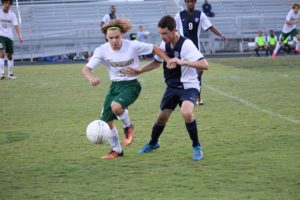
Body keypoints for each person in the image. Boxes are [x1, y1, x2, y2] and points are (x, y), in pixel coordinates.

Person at [82, 18, 171, 160]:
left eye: (117, 37)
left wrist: (167, 60)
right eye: (111, 38)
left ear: (121, 35)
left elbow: (155, 48)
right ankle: (117, 150)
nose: (114, 40)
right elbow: (86, 69)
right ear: (106, 37)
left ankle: (128, 126)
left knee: (116, 107)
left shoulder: (132, 45)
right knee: (107, 122)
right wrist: (91, 78)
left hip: (131, 85)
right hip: (114, 87)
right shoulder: (101, 50)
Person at [127, 15, 209, 161]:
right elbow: (157, 62)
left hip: (189, 86)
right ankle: (153, 143)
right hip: (172, 87)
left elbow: (204, 65)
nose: (162, 37)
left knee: (187, 112)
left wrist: (181, 61)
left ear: (174, 30)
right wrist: (140, 70)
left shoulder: (186, 45)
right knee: (161, 118)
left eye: (165, 33)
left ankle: (196, 146)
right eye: (160, 33)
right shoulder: (165, 44)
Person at [175, 0, 225, 106]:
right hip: (183, 49)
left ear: (195, 2)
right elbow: (174, 30)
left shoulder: (200, 15)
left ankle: (197, 97)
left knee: (200, 70)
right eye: (188, 2)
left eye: (192, 1)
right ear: (185, 2)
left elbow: (210, 27)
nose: (190, 4)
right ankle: (182, 96)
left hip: (195, 50)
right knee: (181, 74)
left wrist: (221, 35)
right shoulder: (179, 16)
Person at [0, 0, 23, 80]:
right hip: (1, 36)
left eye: (9, 3)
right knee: (1, 53)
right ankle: (2, 73)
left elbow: (16, 26)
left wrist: (20, 36)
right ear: (3, 3)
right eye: (6, 3)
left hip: (10, 37)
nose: (7, 5)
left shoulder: (12, 15)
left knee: (9, 56)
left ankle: (10, 73)